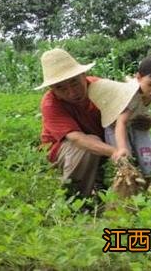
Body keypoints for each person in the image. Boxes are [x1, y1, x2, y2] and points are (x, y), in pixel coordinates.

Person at [36, 48, 120, 197]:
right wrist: (115, 152)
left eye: (74, 83)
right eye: (60, 88)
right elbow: (77, 139)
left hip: (101, 146)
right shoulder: (50, 104)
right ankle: (74, 199)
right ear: (52, 89)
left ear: (83, 75)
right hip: (63, 152)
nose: (72, 92)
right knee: (87, 146)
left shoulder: (101, 88)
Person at [88, 54, 151, 182]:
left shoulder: (148, 89)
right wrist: (122, 147)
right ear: (139, 78)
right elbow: (121, 123)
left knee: (148, 156)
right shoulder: (132, 96)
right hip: (115, 127)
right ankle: (125, 188)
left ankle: (149, 183)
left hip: (135, 123)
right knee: (124, 159)